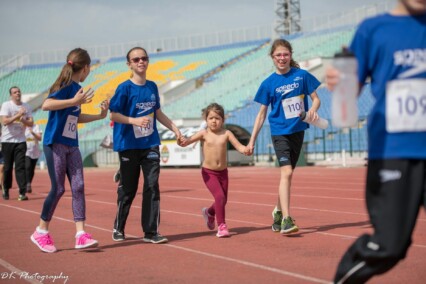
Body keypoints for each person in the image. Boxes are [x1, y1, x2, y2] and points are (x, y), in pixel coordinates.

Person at [325, 1, 426, 283]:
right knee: (390, 246)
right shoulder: (373, 30)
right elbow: (349, 89)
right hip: (393, 152)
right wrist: (339, 79)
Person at [30, 48, 109, 253]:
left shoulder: (77, 88)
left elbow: (76, 116)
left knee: (79, 186)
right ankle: (41, 231)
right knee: (58, 189)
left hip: (72, 144)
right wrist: (73, 101)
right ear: (85, 68)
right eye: (89, 69)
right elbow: (47, 105)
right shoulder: (64, 86)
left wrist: (99, 116)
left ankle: (81, 234)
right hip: (55, 142)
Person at [245, 39, 322, 234]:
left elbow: (316, 99)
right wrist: (251, 141)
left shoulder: (302, 76)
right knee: (286, 173)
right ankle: (287, 219)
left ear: (290, 55)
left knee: (288, 176)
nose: (282, 58)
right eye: (278, 55)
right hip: (279, 132)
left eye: (285, 54)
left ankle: (277, 211)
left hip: (298, 131)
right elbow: (261, 114)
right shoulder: (268, 83)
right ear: (272, 57)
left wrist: (313, 109)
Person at [109, 46, 182, 244]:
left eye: (144, 58)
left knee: (152, 186)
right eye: (136, 59)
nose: (141, 62)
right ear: (129, 64)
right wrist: (134, 121)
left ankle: (150, 232)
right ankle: (119, 227)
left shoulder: (152, 87)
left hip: (150, 144)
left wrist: (174, 127)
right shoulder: (124, 88)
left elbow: (157, 112)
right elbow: (113, 114)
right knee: (129, 189)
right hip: (128, 145)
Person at [180, 103, 247, 238]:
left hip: (223, 173)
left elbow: (240, 147)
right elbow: (187, 141)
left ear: (223, 120)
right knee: (220, 197)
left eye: (217, 118)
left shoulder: (227, 133)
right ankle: (222, 225)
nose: (214, 121)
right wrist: (181, 140)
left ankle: (209, 212)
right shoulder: (204, 133)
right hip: (208, 173)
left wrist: (246, 150)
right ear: (206, 120)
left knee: (223, 200)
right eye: (210, 118)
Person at [0, 86, 34, 201]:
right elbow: (4, 121)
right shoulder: (6, 105)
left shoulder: (27, 106)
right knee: (8, 167)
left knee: (20, 167)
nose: (17, 93)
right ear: (11, 95)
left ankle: (22, 192)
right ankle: (6, 189)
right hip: (7, 141)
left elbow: (31, 123)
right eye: (15, 92)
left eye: (19, 91)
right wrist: (18, 115)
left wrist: (22, 119)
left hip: (21, 140)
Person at [25, 123, 42, 193]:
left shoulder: (36, 126)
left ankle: (29, 183)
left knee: (32, 169)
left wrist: (33, 133)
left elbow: (40, 138)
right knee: (27, 167)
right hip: (26, 151)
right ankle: (28, 183)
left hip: (35, 151)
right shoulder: (23, 127)